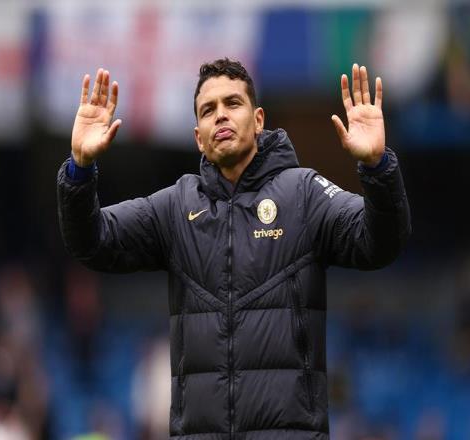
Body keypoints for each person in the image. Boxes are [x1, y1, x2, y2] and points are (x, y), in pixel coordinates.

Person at [57, 58, 411, 439]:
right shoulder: (175, 208)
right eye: (208, 110)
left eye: (233, 103)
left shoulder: (304, 195)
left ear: (258, 120)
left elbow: (380, 243)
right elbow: (92, 241)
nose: (221, 115)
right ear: (199, 137)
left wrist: (377, 168)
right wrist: (79, 169)